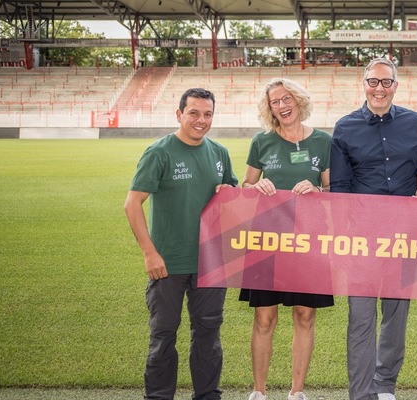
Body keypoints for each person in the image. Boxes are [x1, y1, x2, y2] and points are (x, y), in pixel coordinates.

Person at [124, 87, 239, 400]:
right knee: (163, 336)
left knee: (208, 335)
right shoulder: (159, 152)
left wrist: (226, 190)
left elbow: (231, 192)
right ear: (179, 114)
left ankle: (208, 395)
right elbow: (132, 204)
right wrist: (150, 254)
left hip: (211, 264)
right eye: (194, 113)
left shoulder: (219, 152)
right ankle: (159, 396)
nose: (201, 120)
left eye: (207, 114)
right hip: (168, 264)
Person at [330, 57, 417, 400]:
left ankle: (385, 385)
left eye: (386, 82)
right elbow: (340, 189)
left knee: (395, 315)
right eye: (373, 82)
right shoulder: (344, 127)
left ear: (396, 86)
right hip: (362, 238)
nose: (379, 89)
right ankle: (360, 393)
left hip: (405, 235)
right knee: (361, 317)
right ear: (364, 84)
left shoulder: (414, 122)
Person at [240, 78, 335, 400]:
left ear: (298, 100)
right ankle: (259, 391)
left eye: (285, 98)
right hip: (266, 239)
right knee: (265, 317)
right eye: (274, 102)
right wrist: (256, 187)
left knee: (305, 314)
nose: (281, 106)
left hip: (309, 240)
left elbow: (334, 192)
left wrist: (317, 190)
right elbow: (244, 188)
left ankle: (297, 392)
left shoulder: (324, 141)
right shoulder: (262, 142)